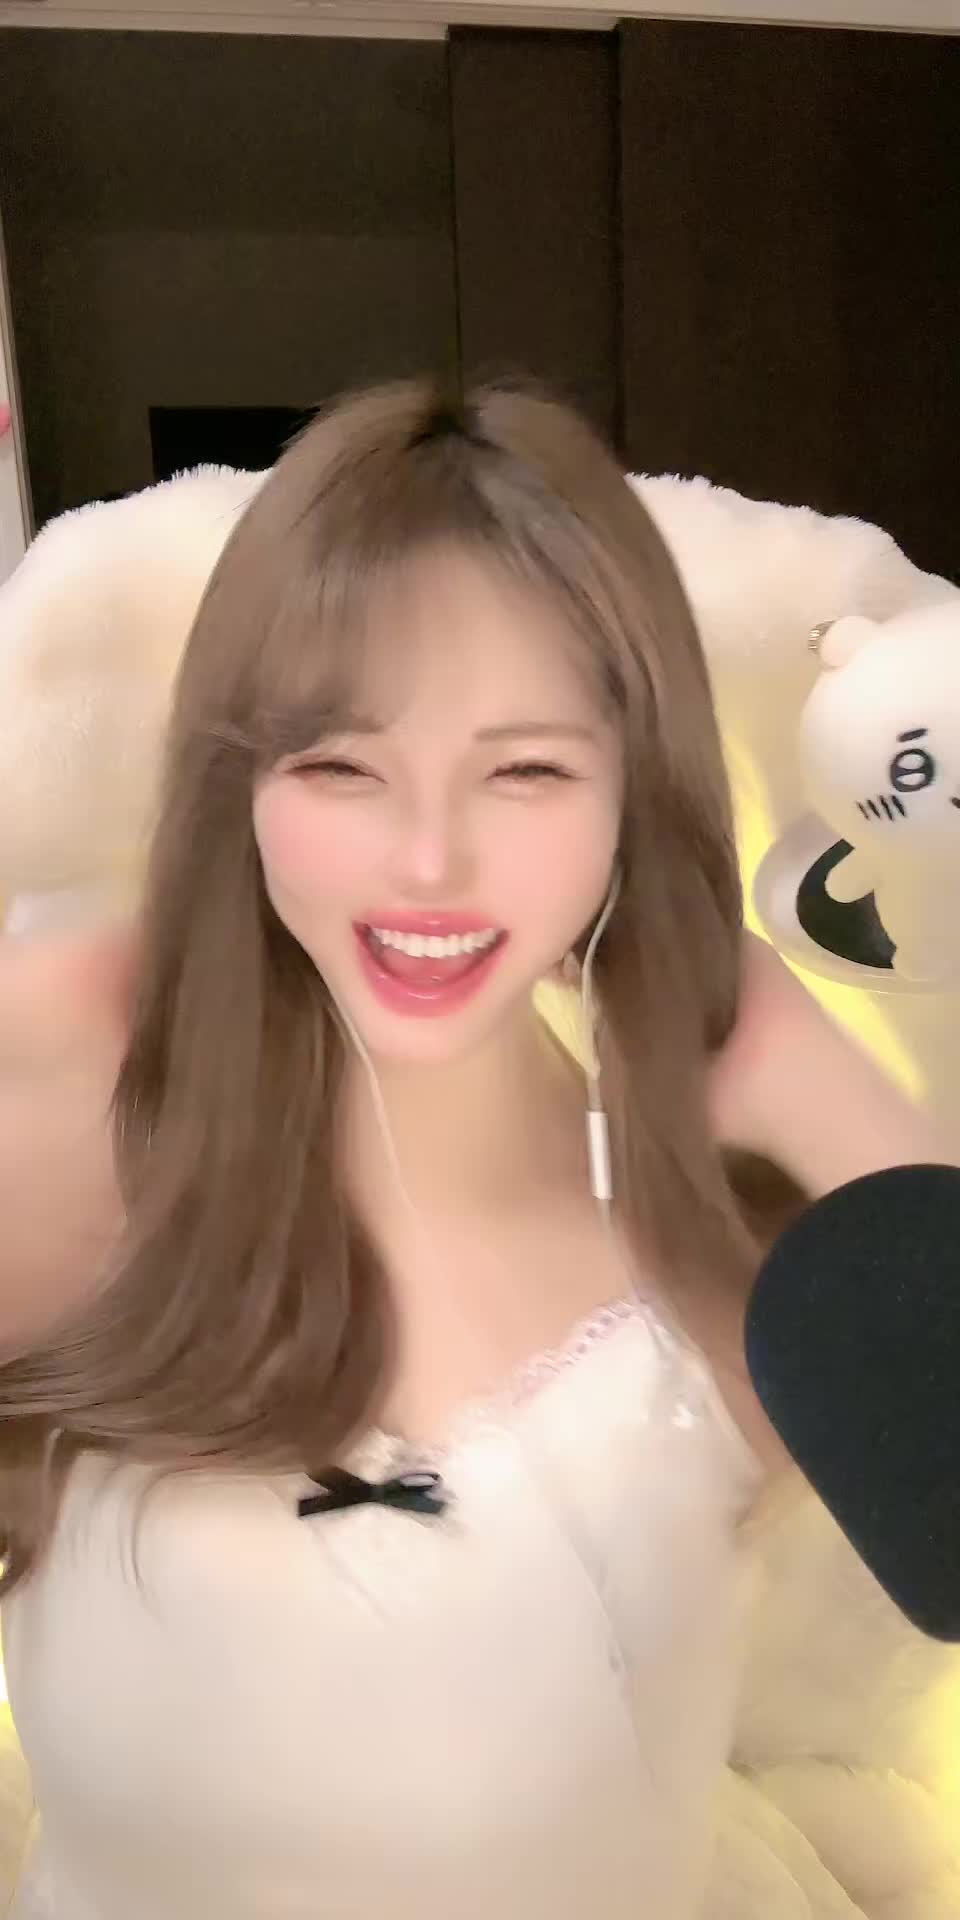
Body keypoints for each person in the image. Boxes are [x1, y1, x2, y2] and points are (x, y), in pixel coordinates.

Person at [0, 380, 945, 1920]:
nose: (429, 860)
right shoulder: (69, 1112)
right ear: (241, 786)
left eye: (525, 772)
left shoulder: (743, 1263)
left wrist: (800, 1066)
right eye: (341, 765)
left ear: (636, 793)